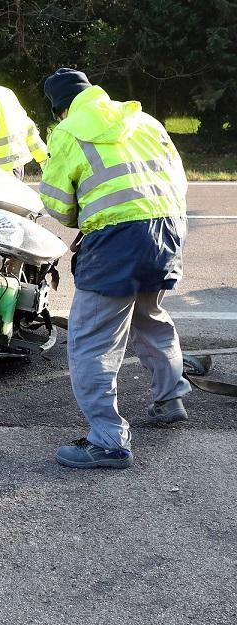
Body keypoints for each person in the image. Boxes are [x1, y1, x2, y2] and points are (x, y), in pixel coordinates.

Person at [38, 68, 191, 469]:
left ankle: (107, 441)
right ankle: (169, 397)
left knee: (91, 340)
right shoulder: (144, 120)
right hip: (167, 229)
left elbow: (57, 203)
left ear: (60, 108)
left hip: (116, 241)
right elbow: (176, 175)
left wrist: (92, 217)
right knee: (148, 312)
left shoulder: (68, 131)